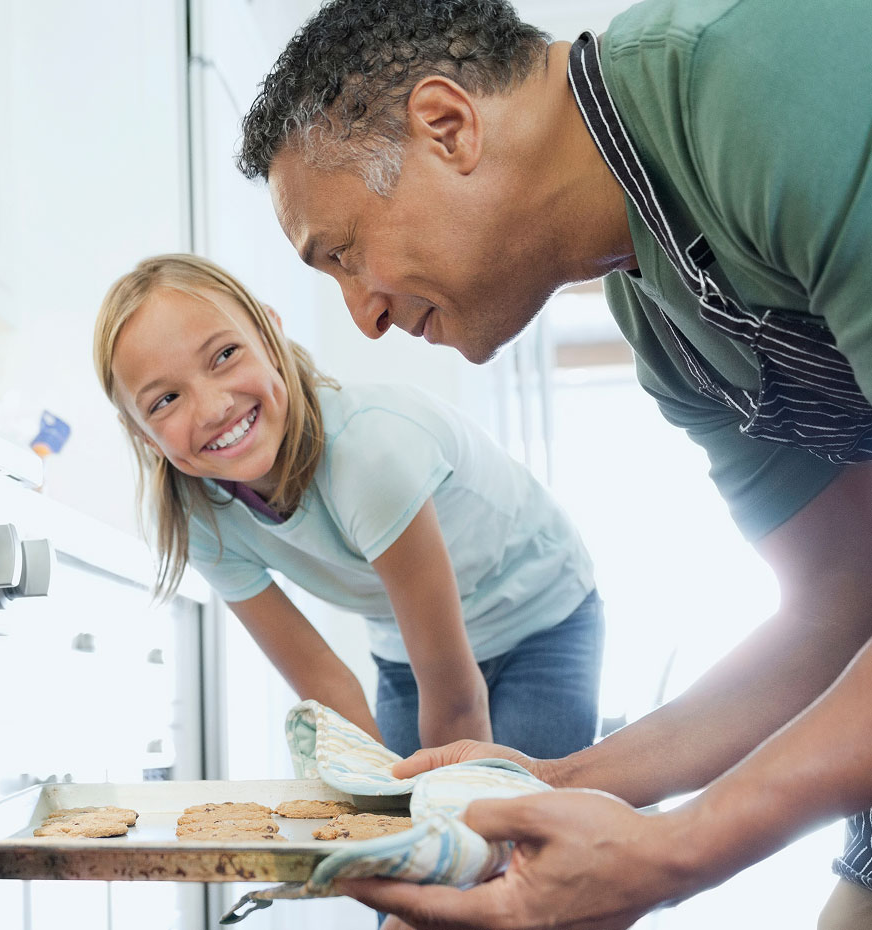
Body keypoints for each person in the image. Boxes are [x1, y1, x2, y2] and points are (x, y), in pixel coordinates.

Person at [235, 0, 872, 927]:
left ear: (447, 127)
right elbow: (839, 601)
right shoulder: (664, 330)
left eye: (345, 253)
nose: (363, 313)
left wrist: (678, 850)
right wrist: (552, 779)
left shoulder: (755, 84)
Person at [93, 252, 604, 773]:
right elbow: (325, 684)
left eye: (224, 355)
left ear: (270, 335)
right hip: (407, 649)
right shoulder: (200, 517)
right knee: (390, 797)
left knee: (522, 817)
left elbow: (455, 698)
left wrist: (455, 829)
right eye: (165, 400)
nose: (212, 407)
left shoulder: (368, 453)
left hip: (541, 616)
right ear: (142, 434)